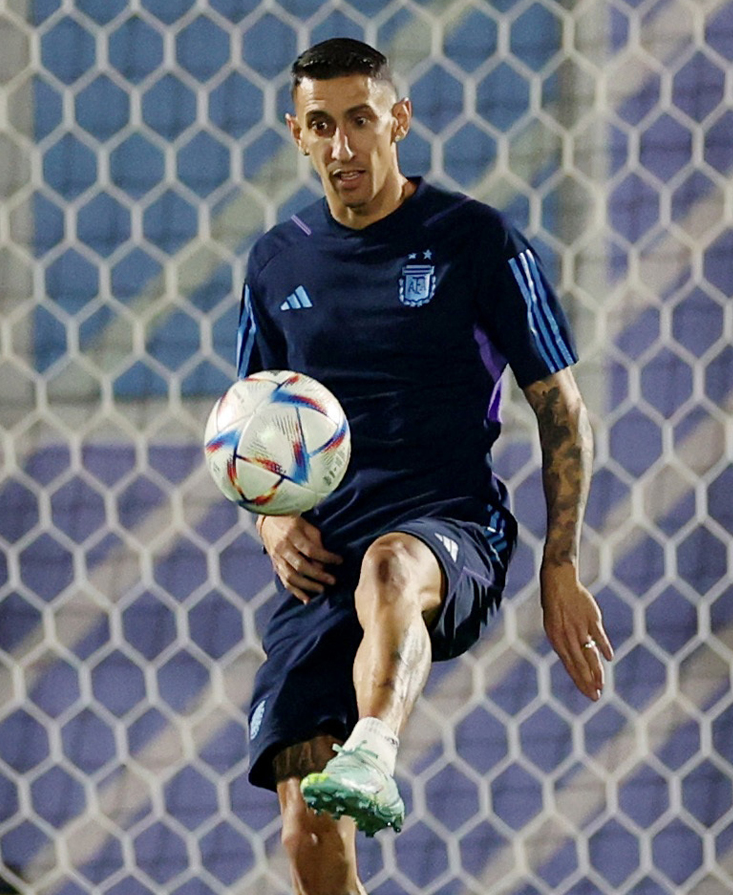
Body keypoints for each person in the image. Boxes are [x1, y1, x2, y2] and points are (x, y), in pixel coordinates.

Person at [236, 37, 613, 895]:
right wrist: (271, 520)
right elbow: (254, 430)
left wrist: (560, 563)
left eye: (360, 120)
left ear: (398, 120)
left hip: (451, 526)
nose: (342, 146)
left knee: (392, 566)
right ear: (296, 132)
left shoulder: (476, 241)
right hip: (326, 557)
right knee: (307, 834)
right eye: (321, 125)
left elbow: (562, 409)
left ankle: (374, 750)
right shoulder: (276, 264)